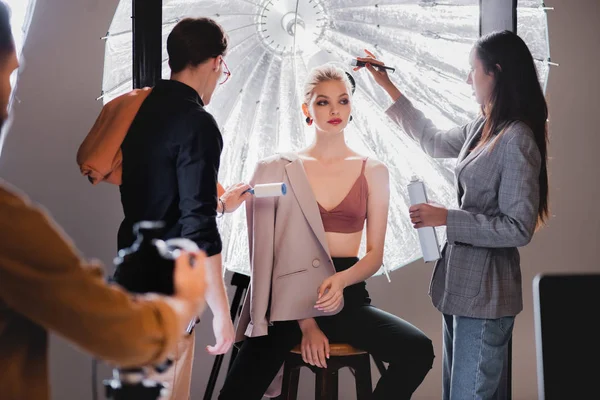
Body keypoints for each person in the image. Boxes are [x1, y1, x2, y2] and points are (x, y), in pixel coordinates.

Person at [0, 2, 207, 399]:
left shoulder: (140, 105)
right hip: (155, 294)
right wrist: (183, 305)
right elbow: (119, 331)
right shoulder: (7, 223)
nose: (9, 98)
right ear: (213, 63)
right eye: (8, 74)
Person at [218, 64, 435, 400]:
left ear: (351, 107)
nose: (335, 110)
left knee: (418, 351)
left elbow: (374, 254)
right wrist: (306, 323)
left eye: (343, 101)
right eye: (323, 102)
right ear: (307, 109)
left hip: (346, 299)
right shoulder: (279, 168)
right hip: (287, 305)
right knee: (236, 392)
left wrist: (341, 281)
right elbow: (267, 252)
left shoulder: (373, 171)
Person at [357, 30, 549, 399]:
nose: (467, 79)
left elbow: (518, 228)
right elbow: (432, 140)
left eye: (472, 71)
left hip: (488, 296)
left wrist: (446, 217)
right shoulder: (483, 126)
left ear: (495, 72)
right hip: (460, 289)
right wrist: (387, 85)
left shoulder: (517, 139)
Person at [115, 17, 252, 399]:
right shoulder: (198, 123)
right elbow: (197, 228)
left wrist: (221, 204)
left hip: (130, 274)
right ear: (214, 62)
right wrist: (223, 314)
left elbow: (161, 198)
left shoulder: (139, 109)